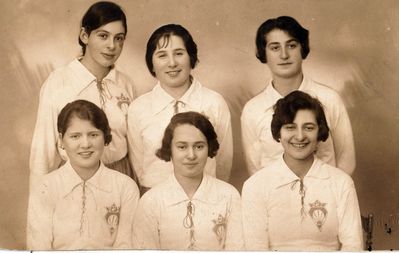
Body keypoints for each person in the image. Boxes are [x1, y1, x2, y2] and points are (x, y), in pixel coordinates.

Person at [29, 1, 136, 191]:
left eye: (119, 38)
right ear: (84, 35)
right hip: (74, 178)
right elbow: (42, 154)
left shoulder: (125, 84)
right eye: (103, 36)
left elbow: (136, 148)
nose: (112, 46)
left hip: (121, 176)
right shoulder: (59, 82)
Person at [241, 91, 363, 251]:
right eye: (290, 127)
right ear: (279, 132)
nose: (299, 136)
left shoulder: (341, 182)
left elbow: (353, 246)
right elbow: (255, 249)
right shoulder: (255, 186)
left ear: (320, 131)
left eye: (309, 127)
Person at [241, 16, 355, 176]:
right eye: (275, 48)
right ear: (263, 53)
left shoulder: (330, 99)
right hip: (275, 198)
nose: (284, 55)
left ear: (302, 49)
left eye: (291, 45)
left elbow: (346, 159)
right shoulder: (253, 109)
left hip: (324, 196)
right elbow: (255, 169)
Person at [127, 24, 232, 191]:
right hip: (155, 198)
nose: (172, 63)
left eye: (179, 53)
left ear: (191, 57)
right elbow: (139, 166)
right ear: (152, 64)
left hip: (205, 195)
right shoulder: (138, 108)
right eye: (162, 55)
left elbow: (223, 162)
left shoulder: (214, 102)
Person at [26, 100, 140, 250]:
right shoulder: (45, 187)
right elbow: (38, 246)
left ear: (105, 138)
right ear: (61, 140)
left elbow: (126, 245)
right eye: (75, 136)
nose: (85, 144)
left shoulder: (125, 187)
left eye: (93, 135)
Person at [132, 112, 243, 250]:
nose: (191, 155)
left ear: (209, 148)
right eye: (182, 147)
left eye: (199, 146)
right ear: (169, 149)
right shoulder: (150, 202)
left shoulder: (229, 196)